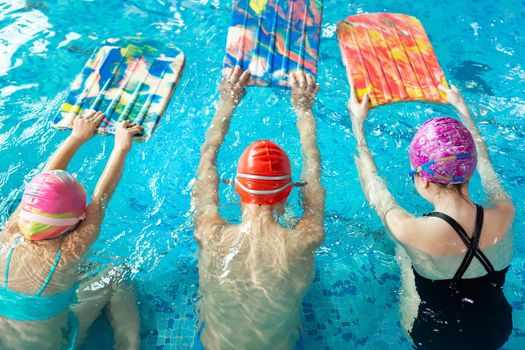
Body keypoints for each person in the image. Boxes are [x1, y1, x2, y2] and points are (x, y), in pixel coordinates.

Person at [348, 83, 514, 350]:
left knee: (403, 253)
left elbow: (374, 189)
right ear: (468, 172)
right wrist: (462, 109)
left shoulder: (410, 231)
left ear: (423, 181)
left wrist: (358, 126)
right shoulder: (505, 212)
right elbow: (486, 164)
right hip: (495, 329)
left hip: (435, 339)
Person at [191, 67, 326, 350]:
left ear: (235, 186)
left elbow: (207, 162)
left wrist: (227, 102)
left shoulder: (210, 233)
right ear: (290, 191)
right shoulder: (305, 238)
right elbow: (314, 177)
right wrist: (303, 111)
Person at [0, 111, 141, 350]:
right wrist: (121, 147)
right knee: (117, 272)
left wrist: (76, 137)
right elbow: (100, 199)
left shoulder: (10, 233)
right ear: (78, 220)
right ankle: (130, 345)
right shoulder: (69, 252)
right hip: (57, 344)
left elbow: (42, 181)